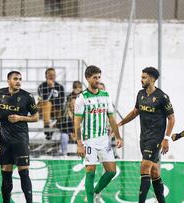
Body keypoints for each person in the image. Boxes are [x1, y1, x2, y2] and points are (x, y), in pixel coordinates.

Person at [118, 67, 175, 203]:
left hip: (156, 139)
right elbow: (135, 112)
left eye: (144, 77)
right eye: (141, 77)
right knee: (155, 172)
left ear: (153, 79)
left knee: (144, 168)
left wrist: (166, 139)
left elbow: (172, 118)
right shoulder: (141, 94)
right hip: (143, 138)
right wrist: (119, 124)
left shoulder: (162, 97)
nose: (141, 79)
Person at [74, 65, 123, 203]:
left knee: (111, 171)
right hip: (89, 140)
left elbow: (111, 118)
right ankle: (90, 201)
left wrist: (118, 137)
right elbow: (77, 122)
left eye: (99, 77)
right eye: (95, 77)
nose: (97, 80)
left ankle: (95, 192)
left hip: (104, 140)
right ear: (87, 78)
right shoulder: (81, 98)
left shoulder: (105, 95)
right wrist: (79, 144)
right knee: (90, 171)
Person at [0, 71, 39, 203]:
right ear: (8, 80)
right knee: (6, 174)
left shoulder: (27, 96)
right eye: (15, 79)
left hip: (20, 139)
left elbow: (36, 117)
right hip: (4, 140)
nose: (18, 81)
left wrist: (20, 118)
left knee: (24, 173)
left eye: (20, 79)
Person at [37, 68, 65, 140]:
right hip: (42, 109)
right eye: (50, 74)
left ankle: (50, 130)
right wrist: (50, 88)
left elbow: (61, 101)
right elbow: (44, 99)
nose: (52, 76)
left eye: (54, 75)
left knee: (64, 113)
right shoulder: (41, 86)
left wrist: (53, 102)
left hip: (55, 110)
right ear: (46, 76)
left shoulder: (60, 87)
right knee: (47, 104)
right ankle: (46, 126)